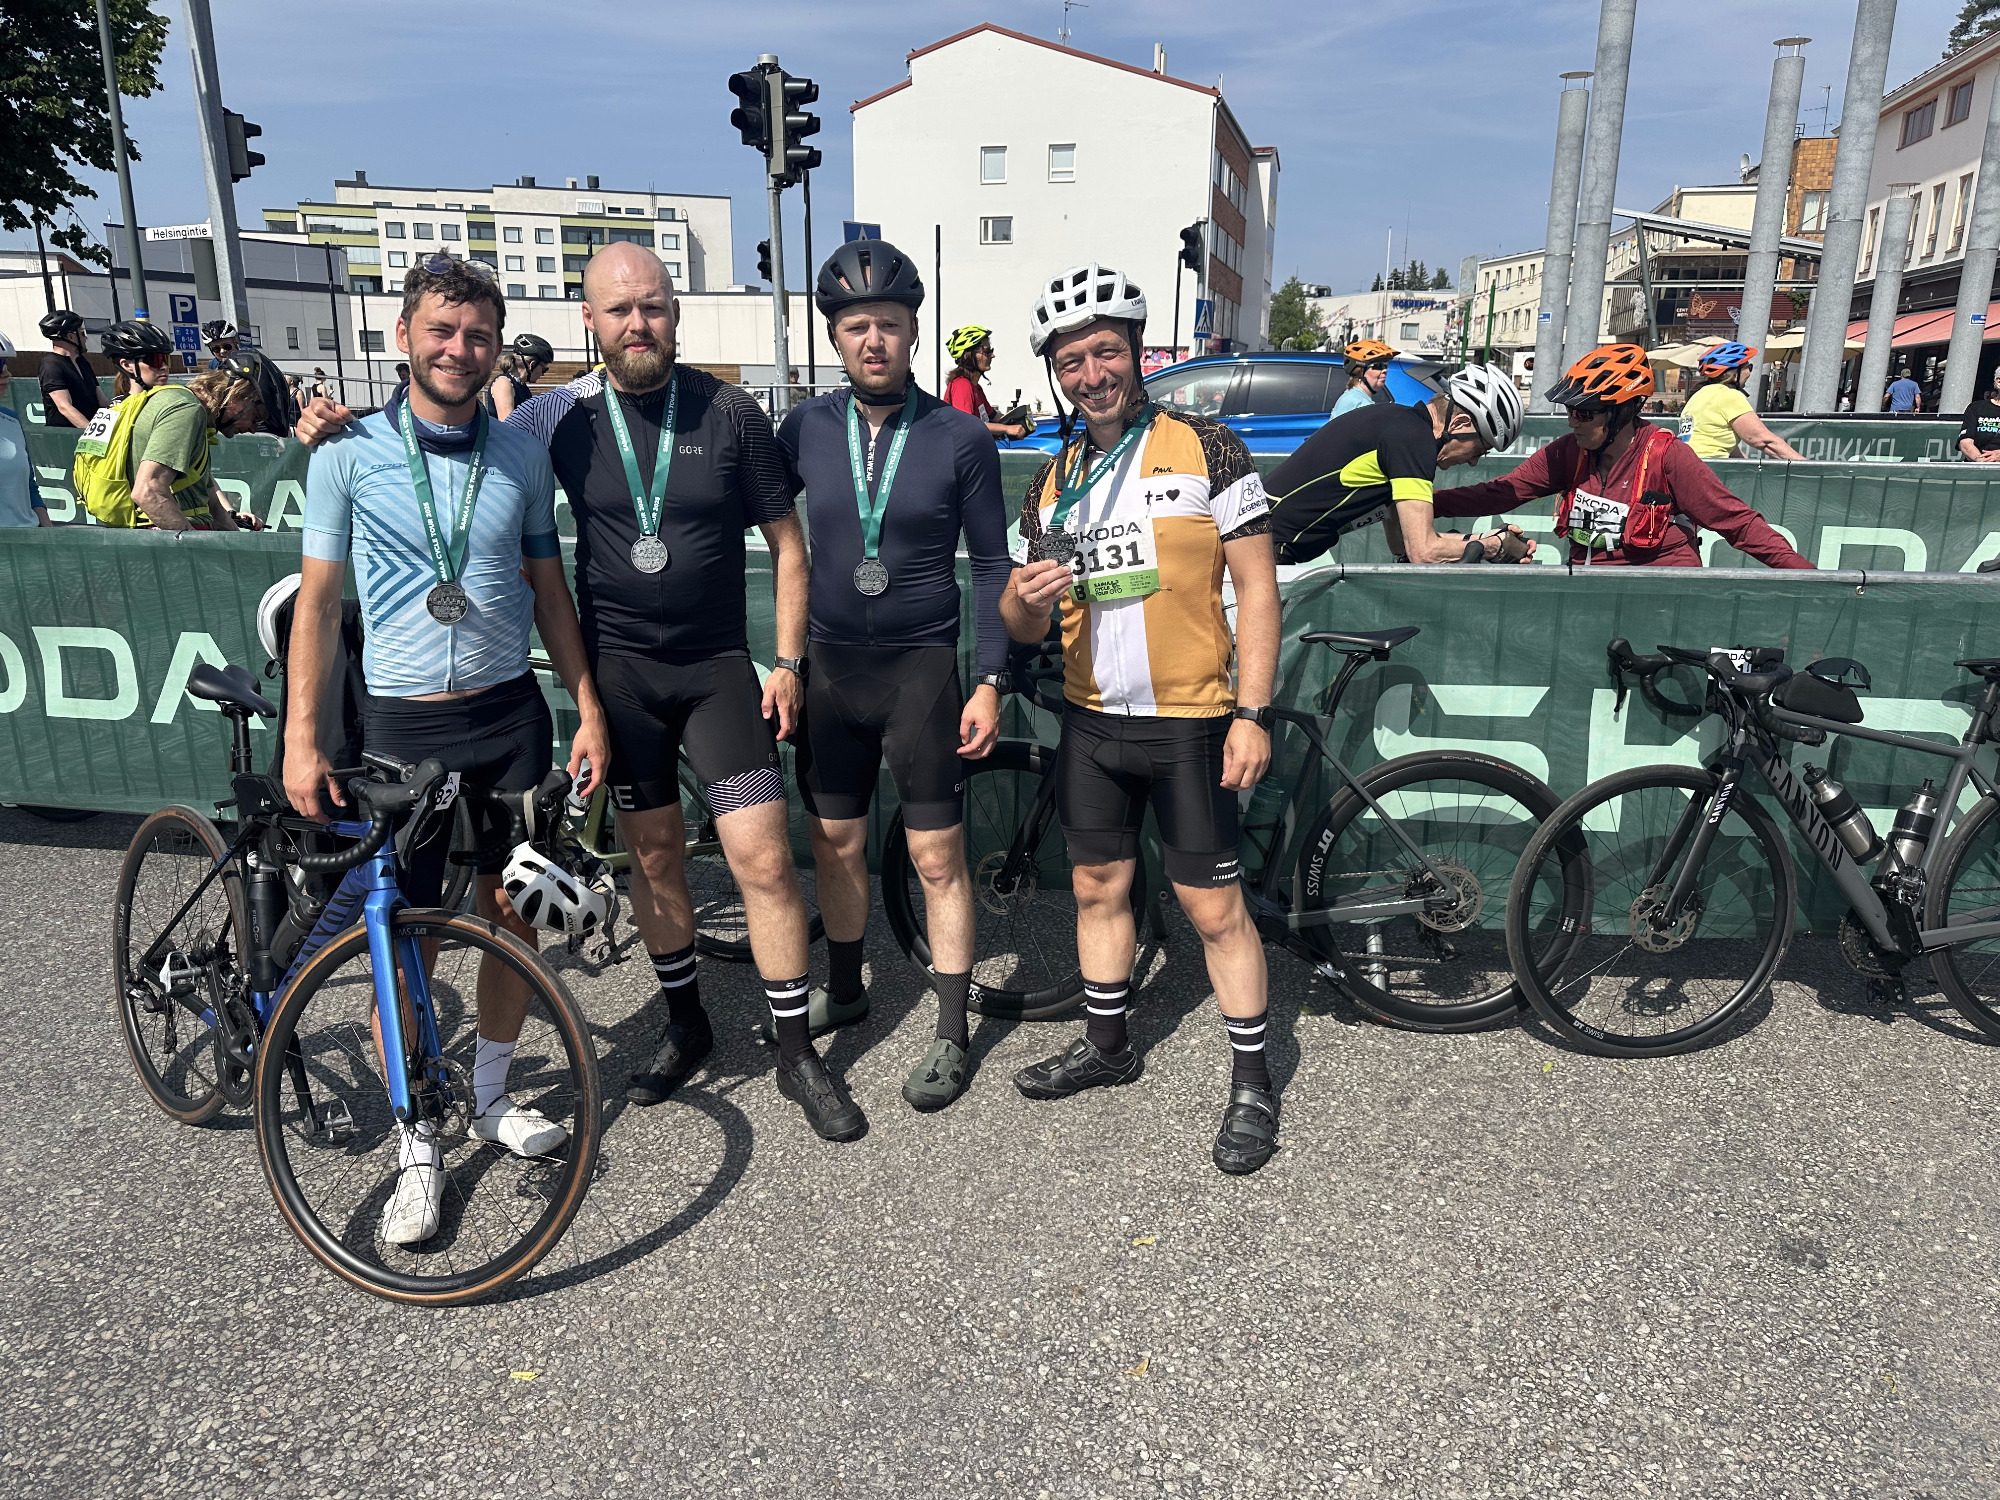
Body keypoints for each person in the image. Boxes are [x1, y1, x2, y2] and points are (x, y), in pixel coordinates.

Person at [292, 243, 838, 1140]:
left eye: (653, 307)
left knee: (766, 862)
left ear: (674, 312)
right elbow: (447, 424)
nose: (638, 324)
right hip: (619, 680)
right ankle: (686, 1025)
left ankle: (794, 1053)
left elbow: (789, 545)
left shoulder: (731, 412)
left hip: (715, 673)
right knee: (652, 860)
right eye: (619, 310)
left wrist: (786, 662)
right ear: (590, 320)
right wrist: (323, 421)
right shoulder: (554, 418)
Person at [285, 255, 611, 1245]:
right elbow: (319, 606)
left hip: (508, 719)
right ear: (404, 336)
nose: (458, 350)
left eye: (476, 335)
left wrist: (586, 705)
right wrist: (302, 739)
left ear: (495, 347)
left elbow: (549, 592)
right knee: (408, 937)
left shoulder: (520, 455)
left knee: (514, 913)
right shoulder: (345, 452)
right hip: (403, 727)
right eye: (441, 330)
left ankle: (490, 1093)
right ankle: (417, 1139)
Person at [1000, 262, 1285, 1176]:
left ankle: (1253, 1083)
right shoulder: (1055, 480)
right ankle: (1109, 1044)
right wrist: (1022, 602)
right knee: (1097, 890)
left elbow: (1258, 589)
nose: (1091, 375)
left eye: (1105, 352)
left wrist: (1252, 713)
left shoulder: (1208, 447)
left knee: (1213, 908)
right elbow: (1024, 618)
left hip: (1191, 720)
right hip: (1092, 723)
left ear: (1136, 350)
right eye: (1071, 362)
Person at [773, 239, 1012, 1116]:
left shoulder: (960, 436)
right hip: (831, 667)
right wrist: (784, 661)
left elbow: (993, 565)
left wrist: (990, 679)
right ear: (834, 337)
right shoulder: (802, 428)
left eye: (889, 324)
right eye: (855, 327)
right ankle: (848, 988)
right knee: (833, 846)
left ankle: (951, 1032)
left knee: (935, 857)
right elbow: (759, 524)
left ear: (915, 332)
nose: (873, 340)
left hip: (921, 667)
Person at [1433, 344, 1815, 569]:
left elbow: (1740, 525)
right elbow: (1500, 493)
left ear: (1622, 412)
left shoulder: (1667, 456)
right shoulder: (1569, 451)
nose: (1573, 421)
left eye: (1585, 413)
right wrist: (1420, 504)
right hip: (1592, 586)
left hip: (1661, 589)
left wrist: (1811, 580)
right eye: (1569, 411)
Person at [1262, 363, 1529, 565]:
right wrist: (1494, 547)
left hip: (1260, 543)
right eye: (1479, 449)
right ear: (1460, 424)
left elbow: (1401, 543)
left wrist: (1483, 540)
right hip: (1265, 550)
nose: (1473, 462)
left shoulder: (1400, 424)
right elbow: (1423, 552)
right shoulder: (1414, 442)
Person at [75, 320, 243, 531]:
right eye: (154, 360)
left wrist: (229, 514)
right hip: (165, 521)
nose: (163, 366)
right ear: (127, 365)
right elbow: (147, 488)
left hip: (127, 525)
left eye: (166, 359)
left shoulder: (114, 409)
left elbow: (198, 474)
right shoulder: (172, 409)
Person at [1676, 344, 1804, 462]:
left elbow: (1723, 445)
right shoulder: (1728, 395)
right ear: (1734, 373)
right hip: (1707, 468)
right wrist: (1807, 466)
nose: (1749, 373)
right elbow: (1763, 440)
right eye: (1748, 367)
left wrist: (1749, 467)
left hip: (1685, 465)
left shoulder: (1698, 395)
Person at [944, 324, 1031, 441]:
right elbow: (967, 425)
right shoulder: (961, 385)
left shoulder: (976, 388)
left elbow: (993, 417)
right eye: (987, 351)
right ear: (968, 356)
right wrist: (1006, 429)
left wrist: (1018, 422)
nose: (992, 355)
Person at [0, 334, 53, 527]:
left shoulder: (12, 420)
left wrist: (50, 535)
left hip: (27, 538)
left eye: (5, 364)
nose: (6, 373)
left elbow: (29, 486)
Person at [36, 309, 101, 430]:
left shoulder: (82, 362)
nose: (86, 338)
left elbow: (101, 400)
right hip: (66, 435)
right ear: (71, 337)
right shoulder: (51, 365)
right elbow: (65, 407)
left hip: (90, 430)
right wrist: (92, 434)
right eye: (82, 333)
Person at [485, 333, 553, 421]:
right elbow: (507, 424)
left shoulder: (522, 386)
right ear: (532, 365)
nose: (543, 374)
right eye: (544, 369)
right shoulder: (504, 383)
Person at [1331, 338, 1397, 418]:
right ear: (1360, 371)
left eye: (1385, 365)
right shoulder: (1361, 405)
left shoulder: (1351, 396)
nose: (1385, 370)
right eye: (1378, 366)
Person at [1959, 365, 2000, 462]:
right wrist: (1980, 460)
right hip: (1977, 466)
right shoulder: (1976, 408)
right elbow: (1965, 442)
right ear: (1998, 381)